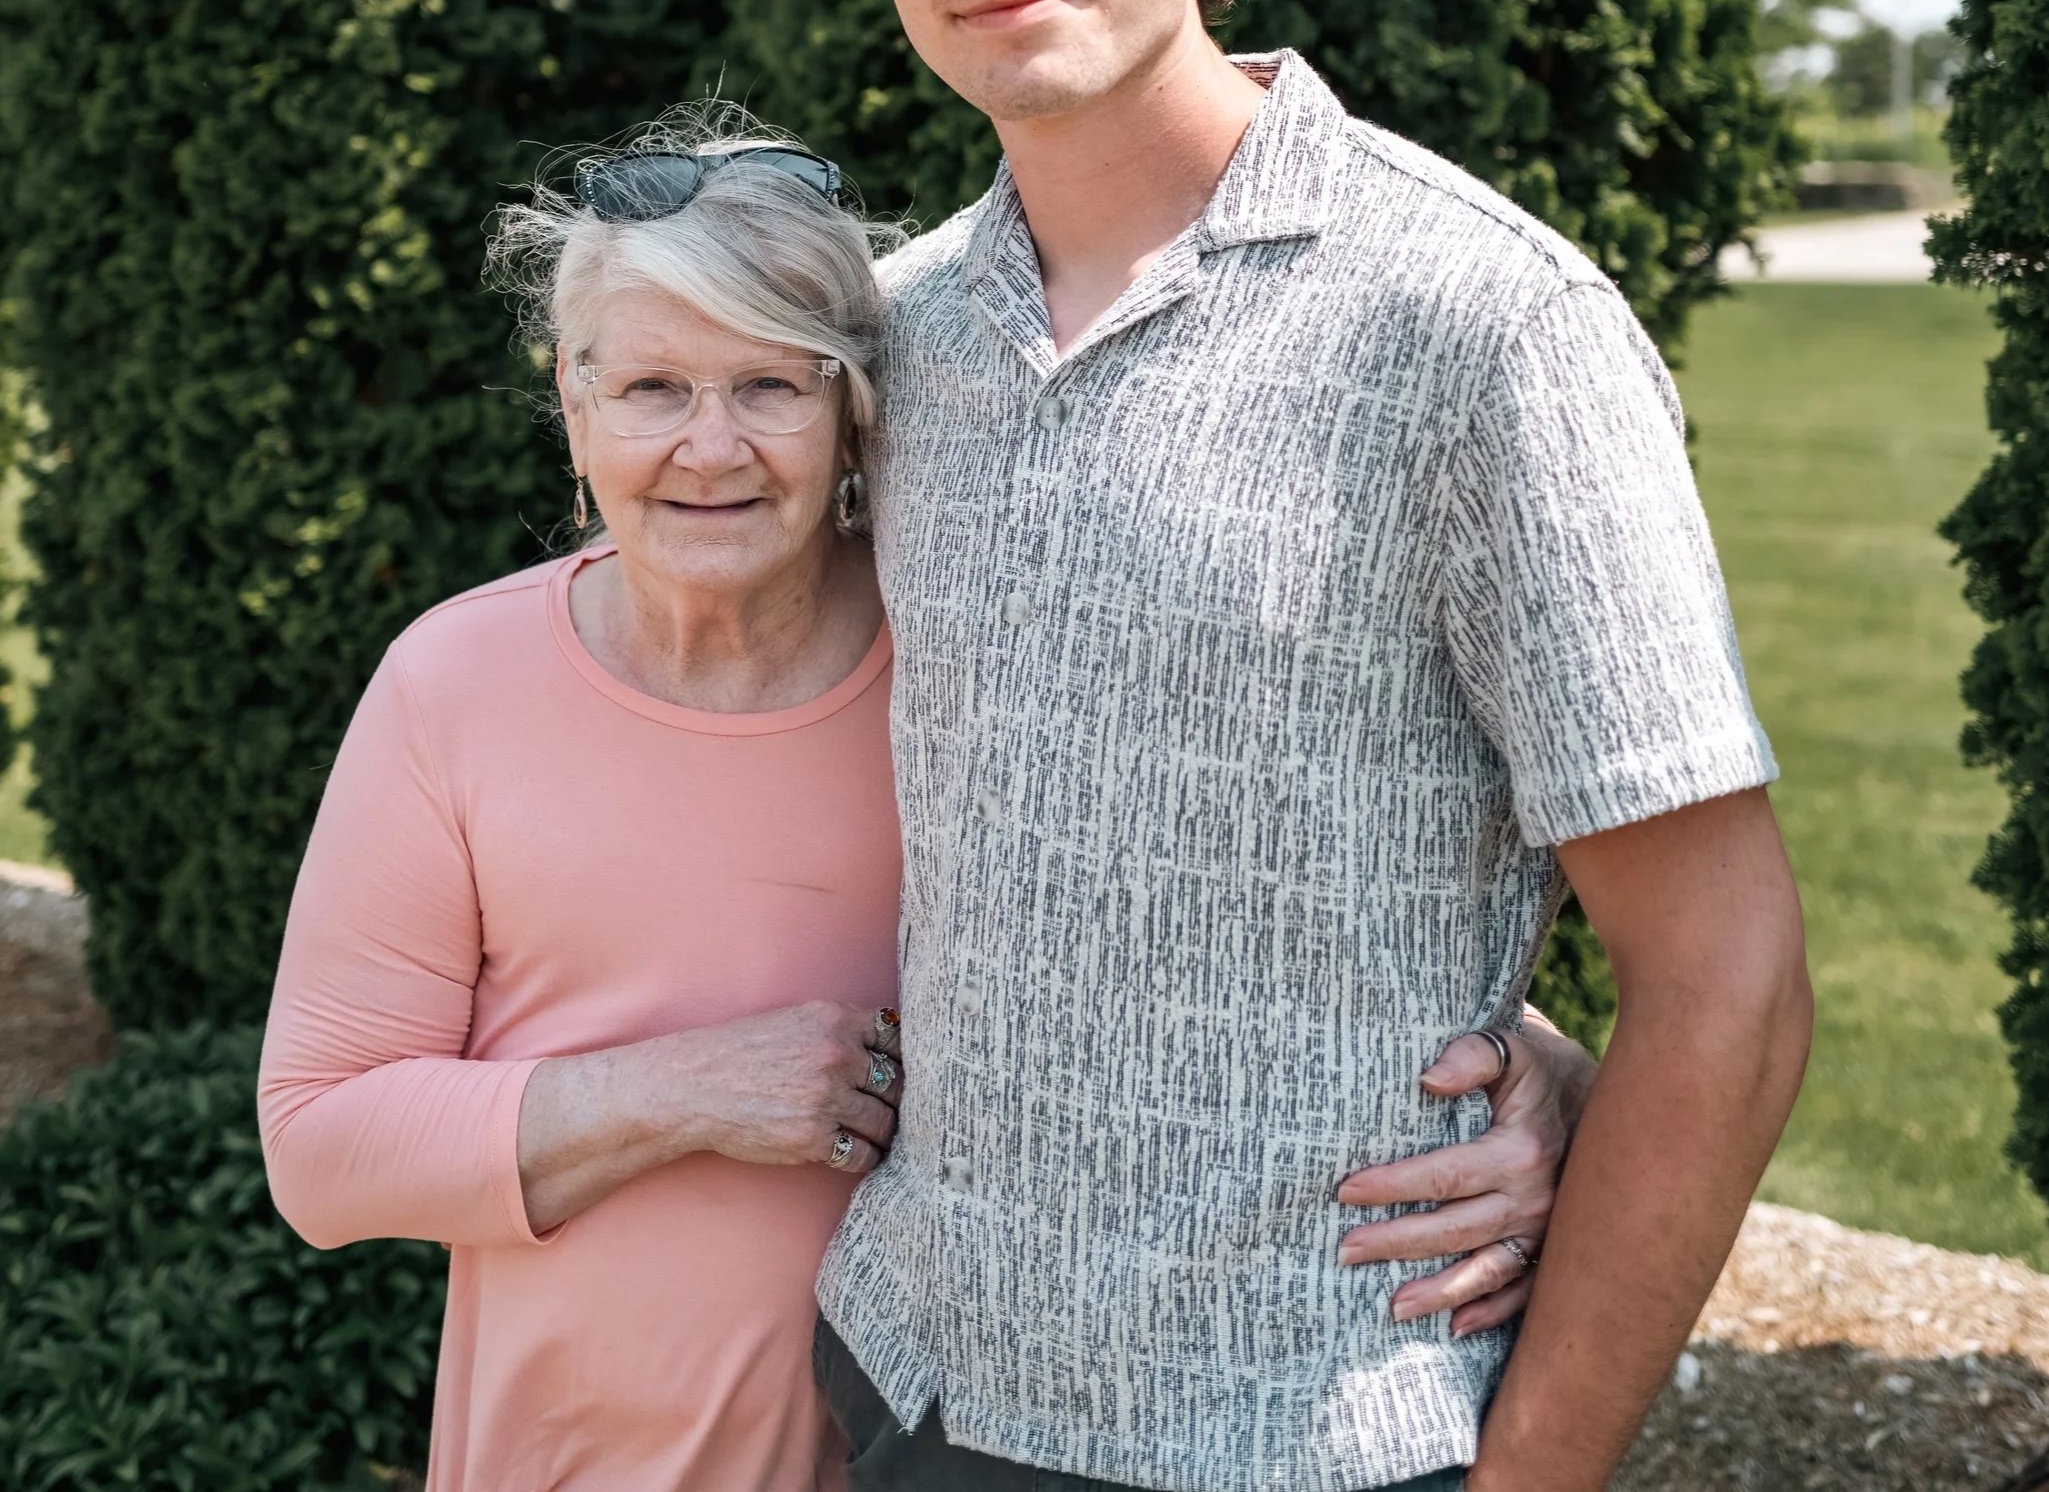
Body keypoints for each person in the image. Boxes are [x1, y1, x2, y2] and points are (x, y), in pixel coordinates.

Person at [785, 0, 1813, 1492]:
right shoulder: (900, 334)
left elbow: (1730, 980)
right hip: (920, 1374)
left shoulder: (1481, 325)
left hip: (1305, 1427)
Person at [259, 130, 1587, 1492]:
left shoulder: (973, 651)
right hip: (584, 1458)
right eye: (654, 387)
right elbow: (322, 1144)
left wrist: (1527, 1066)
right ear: (572, 399)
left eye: (770, 383)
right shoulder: (454, 684)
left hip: (952, 1444)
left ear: (853, 407)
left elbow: (1221, 909)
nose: (709, 448)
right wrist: (684, 1092)